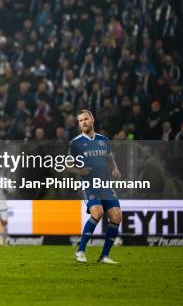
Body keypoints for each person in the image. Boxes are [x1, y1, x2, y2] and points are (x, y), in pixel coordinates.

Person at [69, 110, 122, 264]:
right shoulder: (76, 143)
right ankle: (80, 251)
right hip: (89, 184)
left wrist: (115, 168)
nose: (83, 122)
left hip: (104, 183)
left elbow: (110, 158)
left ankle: (104, 256)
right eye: (80, 121)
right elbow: (66, 165)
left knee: (117, 216)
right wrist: (80, 171)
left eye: (86, 119)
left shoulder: (104, 140)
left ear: (92, 120)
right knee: (97, 213)